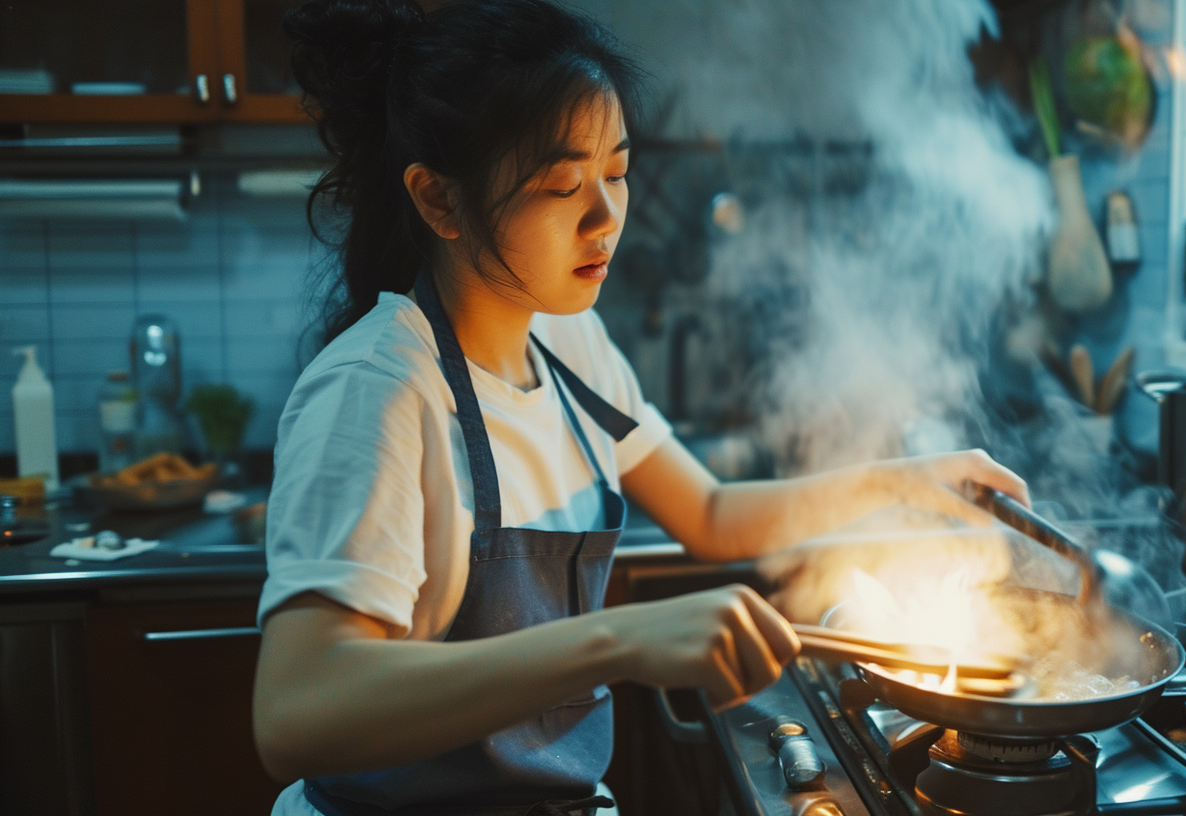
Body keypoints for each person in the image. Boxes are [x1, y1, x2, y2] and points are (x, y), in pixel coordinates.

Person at [251, 1, 1031, 814]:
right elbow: (298, 712)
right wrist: (617, 641)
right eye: (562, 185)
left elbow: (713, 513)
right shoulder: (378, 392)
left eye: (617, 172)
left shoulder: (568, 343)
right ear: (440, 202)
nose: (605, 217)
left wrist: (905, 484)